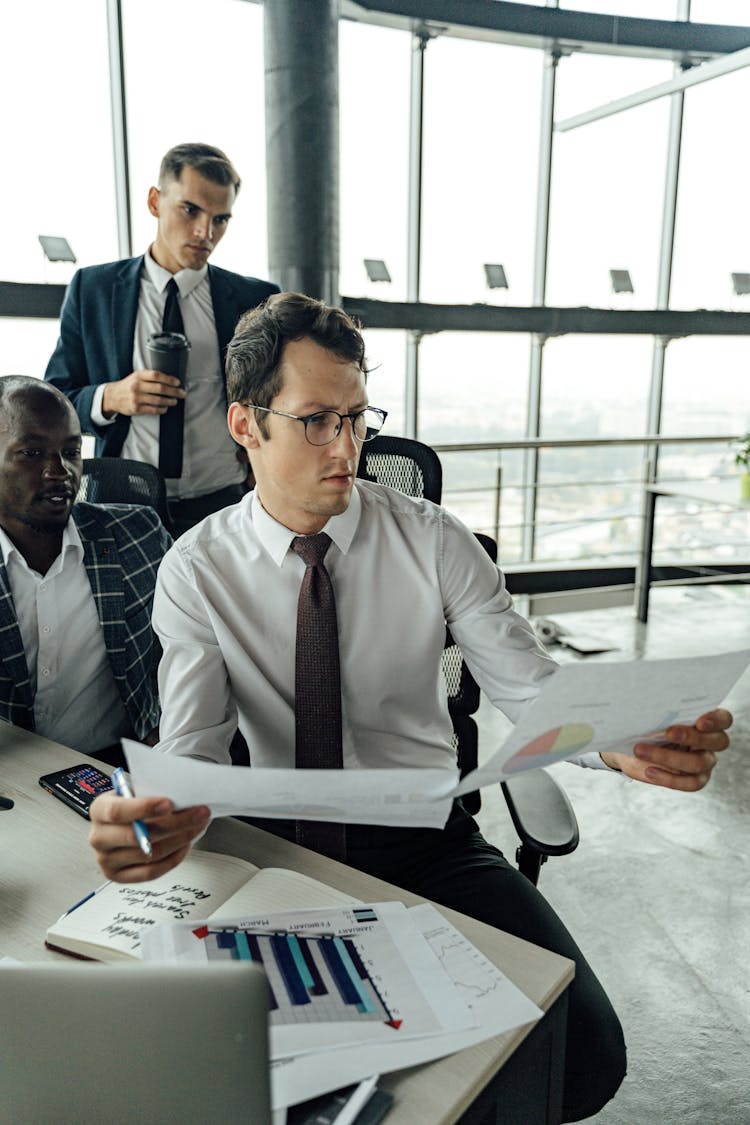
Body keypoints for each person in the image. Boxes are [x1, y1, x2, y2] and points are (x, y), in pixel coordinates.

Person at [88, 293, 733, 1121]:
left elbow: (531, 687)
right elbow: (195, 747)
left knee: (586, 1058)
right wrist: (153, 820)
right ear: (247, 425)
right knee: (250, 1075)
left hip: (429, 842)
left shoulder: (432, 537)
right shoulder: (198, 568)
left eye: (359, 417)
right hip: (281, 852)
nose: (350, 447)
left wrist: (619, 740)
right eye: (319, 420)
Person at [45, 142, 279, 537]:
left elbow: (277, 398)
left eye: (220, 219)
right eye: (191, 210)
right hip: (121, 499)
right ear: (155, 202)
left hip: (224, 501)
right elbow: (56, 397)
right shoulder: (94, 289)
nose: (205, 232)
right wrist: (111, 397)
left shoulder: (254, 299)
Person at [0, 376, 170, 763]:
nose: (58, 471)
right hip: (11, 777)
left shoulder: (138, 537)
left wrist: (170, 737)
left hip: (118, 767)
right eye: (31, 453)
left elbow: (194, 649)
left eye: (71, 451)